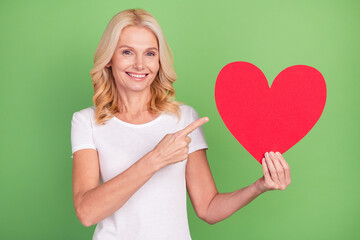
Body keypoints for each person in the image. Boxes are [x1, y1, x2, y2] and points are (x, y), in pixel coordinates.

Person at [70, 8, 291, 240]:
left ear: (159, 61)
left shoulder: (183, 119)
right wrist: (156, 159)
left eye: (150, 54)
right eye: (127, 52)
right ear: (109, 59)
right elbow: (87, 212)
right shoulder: (87, 122)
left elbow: (208, 208)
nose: (139, 64)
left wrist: (259, 186)